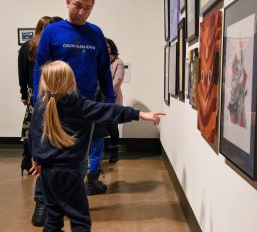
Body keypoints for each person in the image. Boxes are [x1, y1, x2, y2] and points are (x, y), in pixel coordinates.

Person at [30, 60, 165, 232]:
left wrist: (37, 158)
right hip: (70, 173)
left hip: (47, 174)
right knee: (80, 220)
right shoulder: (79, 105)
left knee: (54, 217)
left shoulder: (41, 107)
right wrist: (141, 114)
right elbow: (111, 111)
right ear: (71, 81)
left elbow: (34, 135)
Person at [32, 0, 116, 198]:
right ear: (68, 2)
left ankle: (72, 199)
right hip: (54, 105)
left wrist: (109, 100)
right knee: (48, 155)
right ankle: (42, 201)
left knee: (79, 158)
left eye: (88, 8)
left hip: (83, 106)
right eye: (78, 5)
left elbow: (104, 70)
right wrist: (38, 100)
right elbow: (40, 66)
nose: (82, 12)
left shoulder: (95, 33)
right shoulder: (52, 31)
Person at [28, 16, 64, 227]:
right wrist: (35, 102)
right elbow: (27, 76)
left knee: (71, 158)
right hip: (43, 104)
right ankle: (42, 202)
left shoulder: (65, 48)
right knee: (44, 156)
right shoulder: (30, 50)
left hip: (67, 103)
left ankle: (62, 202)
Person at [18, 16, 51, 176]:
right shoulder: (48, 45)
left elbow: (22, 73)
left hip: (34, 91)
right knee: (44, 125)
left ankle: (26, 159)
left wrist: (24, 93)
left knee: (31, 125)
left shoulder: (27, 46)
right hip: (48, 90)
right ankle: (41, 158)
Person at [105, 37, 125, 163]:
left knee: (112, 126)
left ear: (112, 48)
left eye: (108, 47)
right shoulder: (97, 60)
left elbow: (118, 80)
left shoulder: (118, 62)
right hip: (97, 98)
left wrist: (105, 92)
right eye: (104, 46)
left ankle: (114, 151)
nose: (106, 49)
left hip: (112, 98)